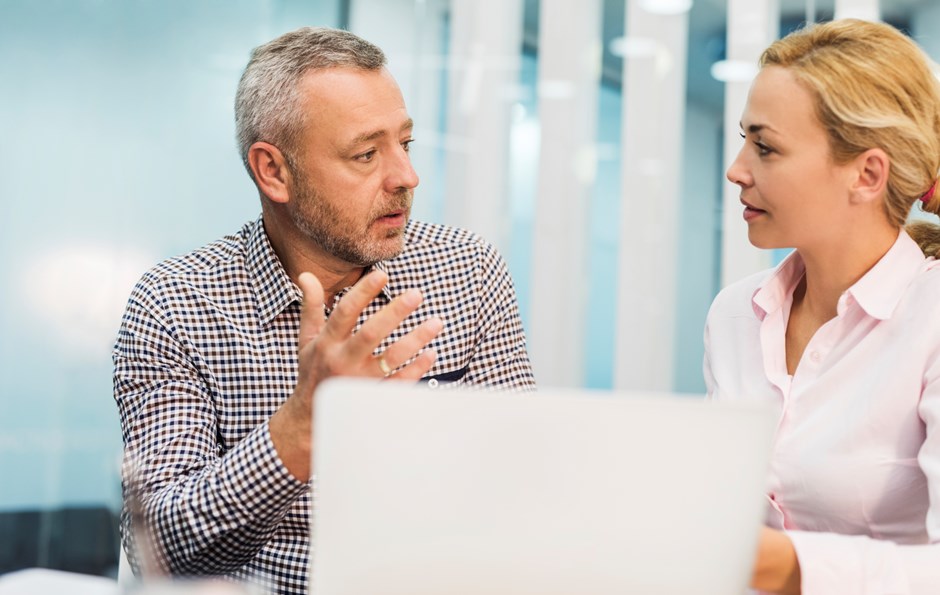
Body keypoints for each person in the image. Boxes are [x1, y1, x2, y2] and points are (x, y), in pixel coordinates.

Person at [112, 26, 536, 595]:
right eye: (366, 153)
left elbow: (524, 477)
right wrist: (301, 430)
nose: (406, 177)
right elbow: (160, 553)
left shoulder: (467, 269)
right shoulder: (176, 303)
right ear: (274, 172)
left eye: (404, 144)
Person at [705, 18, 940, 594]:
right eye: (743, 140)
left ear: (866, 173)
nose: (736, 169)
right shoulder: (735, 314)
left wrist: (785, 565)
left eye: (765, 147)